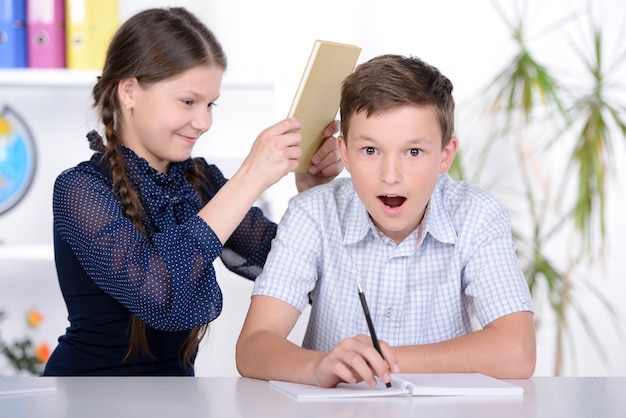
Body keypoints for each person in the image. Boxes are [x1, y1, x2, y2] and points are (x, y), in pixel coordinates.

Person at [42, 7, 342, 376]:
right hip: (86, 398)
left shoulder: (199, 180)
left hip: (180, 399)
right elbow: (157, 293)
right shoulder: (80, 189)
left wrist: (310, 194)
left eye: (210, 104)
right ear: (129, 92)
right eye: (188, 101)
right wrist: (250, 178)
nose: (204, 122)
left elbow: (287, 261)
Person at [236, 54, 536, 388]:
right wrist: (320, 366)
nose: (390, 176)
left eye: (413, 152)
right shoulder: (313, 214)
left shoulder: (478, 215)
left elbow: (517, 350)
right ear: (345, 153)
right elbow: (253, 347)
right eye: (370, 150)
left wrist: (376, 360)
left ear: (445, 155)